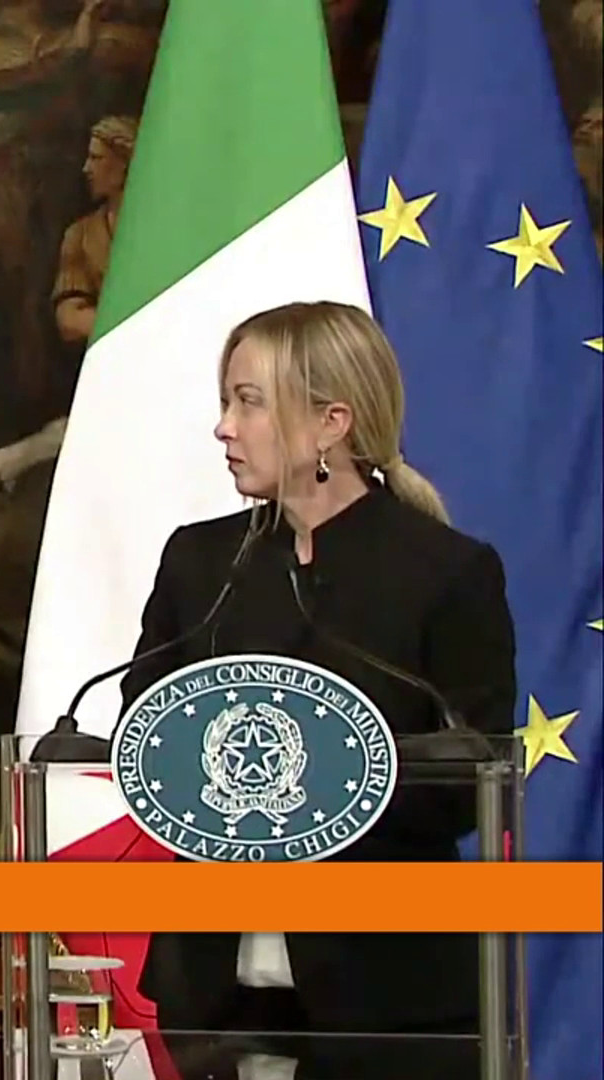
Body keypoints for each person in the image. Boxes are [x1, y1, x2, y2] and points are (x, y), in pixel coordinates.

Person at [120, 301, 515, 1079]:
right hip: (214, 997)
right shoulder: (201, 564)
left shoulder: (445, 572)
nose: (224, 427)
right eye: (226, 401)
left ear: (332, 423)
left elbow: (472, 779)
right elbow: (148, 728)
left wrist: (316, 791)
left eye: (249, 402)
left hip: (390, 997)